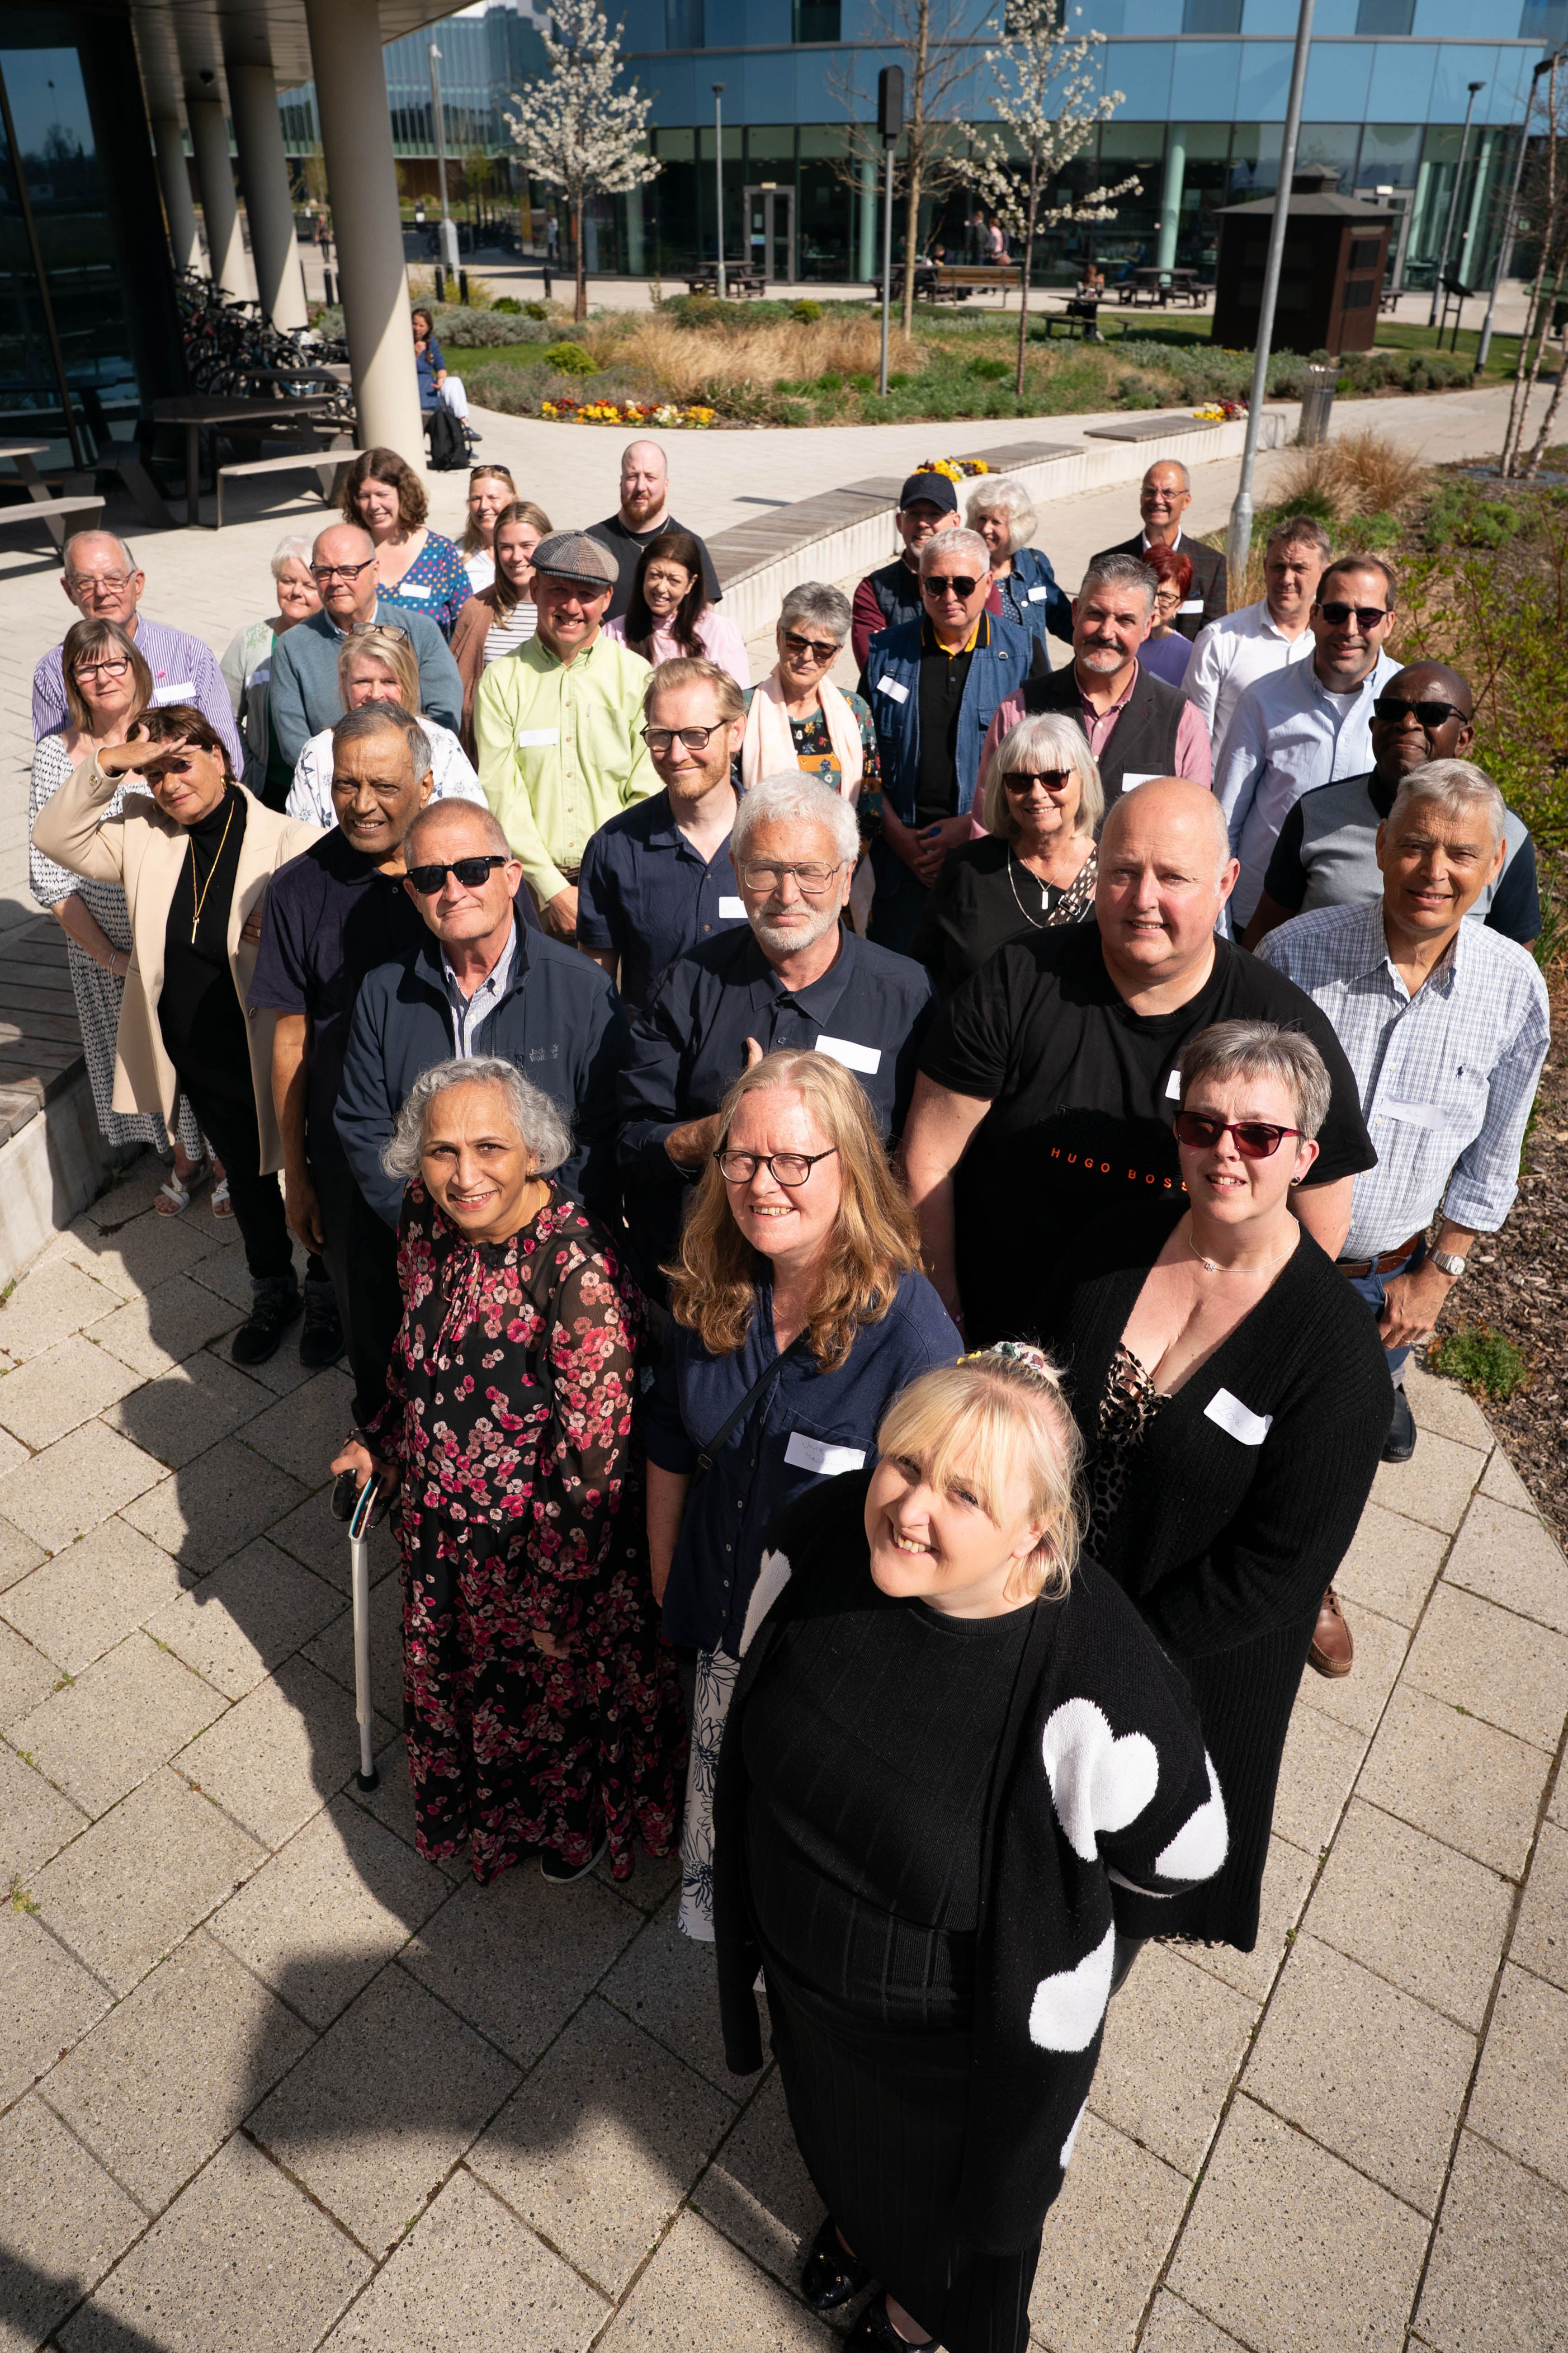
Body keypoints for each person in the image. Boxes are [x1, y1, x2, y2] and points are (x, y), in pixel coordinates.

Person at [712, 1347, 1225, 2353]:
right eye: (902, 1465)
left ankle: (919, 2318)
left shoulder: (1091, 1671)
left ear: (1033, 1531)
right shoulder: (817, 1535)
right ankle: (862, 2225)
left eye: (962, 1495)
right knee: (835, 2139)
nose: (907, 1509)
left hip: (944, 2060)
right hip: (810, 2000)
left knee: (960, 2224)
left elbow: (1182, 1851)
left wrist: (1073, 1933)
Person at [1042, 1021, 1390, 1960]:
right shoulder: (1118, 1237)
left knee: (1106, 1898)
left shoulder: (1332, 1357)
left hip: (1186, 1660)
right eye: (1201, 1126)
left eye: (1256, 1135)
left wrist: (1110, 1653)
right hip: (1047, 1606)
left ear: (1304, 1155)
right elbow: (1047, 1378)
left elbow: (1276, 1572)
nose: (1223, 1152)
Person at [329, 1056, 683, 1885]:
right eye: (442, 1149)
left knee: (552, 1714)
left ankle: (575, 1833)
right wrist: (379, 1437)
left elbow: (594, 1468)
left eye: (490, 1146)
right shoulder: (425, 1213)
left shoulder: (576, 1273)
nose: (464, 1174)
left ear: (536, 1151)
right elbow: (413, 1346)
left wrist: (557, 1594)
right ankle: (495, 1821)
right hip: (446, 1538)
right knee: (476, 1701)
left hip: (544, 1558)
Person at [647, 1049, 960, 1938]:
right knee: (719, 1838)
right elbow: (672, 1428)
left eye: (794, 1160)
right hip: (719, 1618)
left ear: (851, 1166)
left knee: (801, 1865)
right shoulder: (714, 1271)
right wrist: (668, 1569)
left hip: (825, 1655)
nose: (762, 1184)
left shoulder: (911, 1335)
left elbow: (935, 1533)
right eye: (742, 1158)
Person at [899, 778, 1377, 1352]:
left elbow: (1320, 1223)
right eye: (1123, 871)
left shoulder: (1279, 1028)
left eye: (1172, 877)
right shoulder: (1019, 979)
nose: (1142, 898)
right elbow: (928, 1159)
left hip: (1164, 1367)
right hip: (996, 1336)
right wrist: (944, 1320)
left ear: (1225, 883)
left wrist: (1233, 1354)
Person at [1258, 758, 1549, 1497]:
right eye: (1417, 844)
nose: (1435, 870)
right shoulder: (1295, 955)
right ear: (1382, 843)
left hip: (1386, 1283)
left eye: (1461, 853)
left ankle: (1311, 1578)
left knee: (1331, 1456)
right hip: (1263, 1258)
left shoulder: (1513, 991)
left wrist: (1438, 1274)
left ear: (1494, 864)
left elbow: (1494, 1152)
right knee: (1235, 1428)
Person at [32, 706, 330, 1366]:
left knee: (312, 1173)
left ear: (220, 758)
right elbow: (54, 836)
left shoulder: (291, 842)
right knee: (249, 1183)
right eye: (156, 772)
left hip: (275, 1057)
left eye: (182, 763)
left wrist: (281, 924)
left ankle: (328, 1290)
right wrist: (112, 764)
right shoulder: (143, 833)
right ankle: (273, 1289)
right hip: (199, 1055)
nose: (169, 784)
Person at [252, 706, 518, 1411]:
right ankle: (382, 1457)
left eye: (383, 785)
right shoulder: (297, 891)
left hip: (474, 1155)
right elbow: (290, 1039)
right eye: (345, 784)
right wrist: (296, 1173)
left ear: (426, 783)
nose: (362, 804)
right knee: (374, 1334)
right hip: (356, 1158)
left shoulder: (462, 881)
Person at [617, 770, 935, 1290]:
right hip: (714, 1286)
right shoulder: (690, 985)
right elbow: (632, 1144)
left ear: (847, 873)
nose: (787, 895)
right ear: (737, 871)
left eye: (811, 872)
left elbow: (921, 1164)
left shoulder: (904, 995)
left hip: (854, 1287)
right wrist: (719, 1133)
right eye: (766, 871)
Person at [336, 796, 626, 1234]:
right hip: (430, 1244)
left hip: (554, 1250)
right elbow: (364, 1128)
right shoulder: (383, 993)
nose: (454, 892)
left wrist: (534, 1236)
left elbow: (602, 1138)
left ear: (512, 878)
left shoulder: (584, 991)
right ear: (414, 895)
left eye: (473, 871)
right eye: (432, 879)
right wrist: (430, 1229)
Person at [29, 619, 207, 1210]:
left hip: (185, 934)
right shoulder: (56, 756)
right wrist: (111, 956)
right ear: (72, 682)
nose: (103, 676)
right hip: (106, 951)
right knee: (152, 1064)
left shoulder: (173, 732)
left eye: (115, 663)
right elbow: (50, 876)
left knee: (203, 1045)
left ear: (136, 667)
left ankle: (229, 1157)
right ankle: (185, 1158)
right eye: (88, 666)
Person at [1244, 662, 1541, 952]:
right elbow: (1266, 932)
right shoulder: (1316, 813)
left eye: (1431, 713)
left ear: (1463, 738)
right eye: (1392, 710)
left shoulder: (1505, 832)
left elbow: (1513, 960)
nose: (1408, 723)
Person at [860, 529, 1049, 954]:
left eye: (963, 584)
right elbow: (864, 756)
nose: (950, 596)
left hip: (988, 860)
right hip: (904, 865)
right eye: (935, 584)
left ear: (986, 585)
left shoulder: (1022, 652)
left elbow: (1043, 759)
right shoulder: (886, 653)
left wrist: (969, 828)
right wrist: (900, 839)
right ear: (921, 585)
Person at [473, 530, 657, 938]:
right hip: (532, 892)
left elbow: (647, 790)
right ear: (535, 589)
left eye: (587, 594)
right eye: (558, 590)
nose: (572, 607)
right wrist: (554, 890)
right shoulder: (502, 681)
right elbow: (503, 795)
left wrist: (609, 876)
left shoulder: (637, 678)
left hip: (622, 882)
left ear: (607, 599)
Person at [1214, 553, 1400, 933]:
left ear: (1389, 623)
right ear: (1314, 616)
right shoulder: (1263, 699)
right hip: (1259, 920)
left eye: (1367, 616)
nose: (1350, 628)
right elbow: (1226, 820)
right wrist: (1218, 925)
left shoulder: (1411, 709)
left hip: (1361, 926)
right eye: (1335, 612)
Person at [578, 657, 748, 1012]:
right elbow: (595, 990)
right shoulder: (614, 849)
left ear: (735, 733)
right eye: (660, 737)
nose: (676, 754)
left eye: (695, 735)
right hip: (652, 1062)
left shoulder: (779, 840)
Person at [983, 552, 1211, 803]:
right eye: (1096, 614)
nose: (1106, 632)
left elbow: (1193, 830)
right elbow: (990, 825)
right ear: (1075, 612)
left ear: (1148, 626)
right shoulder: (1020, 710)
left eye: (1125, 620)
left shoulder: (1181, 722)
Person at [910, 713, 1101, 998]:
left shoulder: (1117, 875)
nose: (1037, 794)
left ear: (1087, 779)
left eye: (1054, 778)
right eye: (1020, 781)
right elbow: (922, 971)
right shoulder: (966, 867)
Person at [33, 531, 242, 772]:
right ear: (69, 591)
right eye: (85, 583)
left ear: (138, 583)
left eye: (114, 579)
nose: (102, 592)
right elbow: (52, 768)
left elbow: (228, 757)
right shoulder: (52, 672)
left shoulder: (189, 654)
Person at [740, 583, 882, 931]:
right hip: (761, 884)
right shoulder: (741, 711)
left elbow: (870, 804)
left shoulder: (855, 712)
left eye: (822, 649)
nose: (807, 657)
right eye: (797, 642)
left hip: (834, 885)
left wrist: (834, 877)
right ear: (778, 636)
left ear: (836, 655)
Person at [269, 522, 462, 768]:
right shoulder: (293, 646)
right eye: (324, 572)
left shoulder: (419, 631)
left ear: (376, 571)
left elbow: (444, 718)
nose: (335, 581)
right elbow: (295, 743)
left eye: (349, 570)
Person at [285, 623, 484, 827]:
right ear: (345, 682)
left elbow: (474, 826)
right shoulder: (318, 752)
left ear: (407, 682)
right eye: (363, 681)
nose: (376, 694)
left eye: (389, 682)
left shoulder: (442, 745)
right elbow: (302, 840)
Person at [1181, 516, 1329, 744]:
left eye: (1300, 568)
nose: (1287, 579)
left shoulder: (1339, 644)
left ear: (1325, 574)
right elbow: (1192, 738)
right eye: (1278, 566)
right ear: (1264, 567)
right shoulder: (1220, 639)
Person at [219, 534, 320, 801]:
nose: (296, 591)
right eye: (287, 581)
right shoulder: (250, 641)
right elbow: (221, 715)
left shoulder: (336, 643)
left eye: (308, 585)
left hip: (322, 788)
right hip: (263, 788)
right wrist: (246, 764)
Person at [450, 499, 552, 756]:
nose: (516, 557)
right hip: (490, 746)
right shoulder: (476, 609)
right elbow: (458, 682)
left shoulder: (568, 611)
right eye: (506, 547)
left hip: (549, 743)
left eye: (527, 546)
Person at [341, 446, 470, 639]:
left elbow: (467, 624)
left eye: (382, 494)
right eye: (364, 497)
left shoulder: (440, 551)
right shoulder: (348, 553)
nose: (374, 505)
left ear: (403, 493)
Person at [587, 438, 722, 622]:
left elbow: (704, 620)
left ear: (666, 484)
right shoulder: (592, 542)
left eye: (650, 477)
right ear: (621, 481)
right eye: (632, 477)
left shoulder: (691, 545)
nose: (640, 487)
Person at [1091, 460, 1226, 639]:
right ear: (1141, 499)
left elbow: (1214, 637)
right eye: (1150, 492)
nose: (1157, 500)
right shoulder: (1108, 562)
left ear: (1186, 501)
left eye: (1168, 493)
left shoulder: (1211, 564)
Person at [604, 528, 750, 682]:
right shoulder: (614, 633)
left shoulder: (718, 632)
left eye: (674, 580)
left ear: (690, 583)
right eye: (655, 575)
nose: (661, 588)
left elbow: (737, 698)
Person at [850, 470, 961, 671]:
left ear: (956, 523)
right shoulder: (873, 591)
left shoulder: (974, 583)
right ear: (900, 522)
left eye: (934, 514)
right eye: (914, 514)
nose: (922, 523)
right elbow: (875, 668)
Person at [965, 475, 1072, 648]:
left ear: (1015, 528)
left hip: (1030, 671)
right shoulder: (963, 565)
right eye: (982, 519)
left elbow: (1061, 619)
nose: (986, 529)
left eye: (996, 522)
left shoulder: (1033, 564)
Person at [1137, 545, 1198, 687]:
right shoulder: (1113, 634)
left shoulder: (1189, 656)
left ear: (1179, 604)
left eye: (1166, 596)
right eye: (1150, 592)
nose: (1155, 603)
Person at [456, 461, 518, 593]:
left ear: (514, 501)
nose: (484, 506)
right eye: (476, 499)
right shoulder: (456, 555)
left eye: (493, 497)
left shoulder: (534, 551)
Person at [410, 305, 467, 423]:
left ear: (428, 328)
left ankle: (464, 422)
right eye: (414, 324)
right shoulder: (405, 341)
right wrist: (415, 354)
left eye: (421, 326)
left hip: (430, 385)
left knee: (454, 382)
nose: (417, 329)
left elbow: (441, 367)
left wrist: (441, 379)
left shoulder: (431, 343)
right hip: (415, 385)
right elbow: (403, 371)